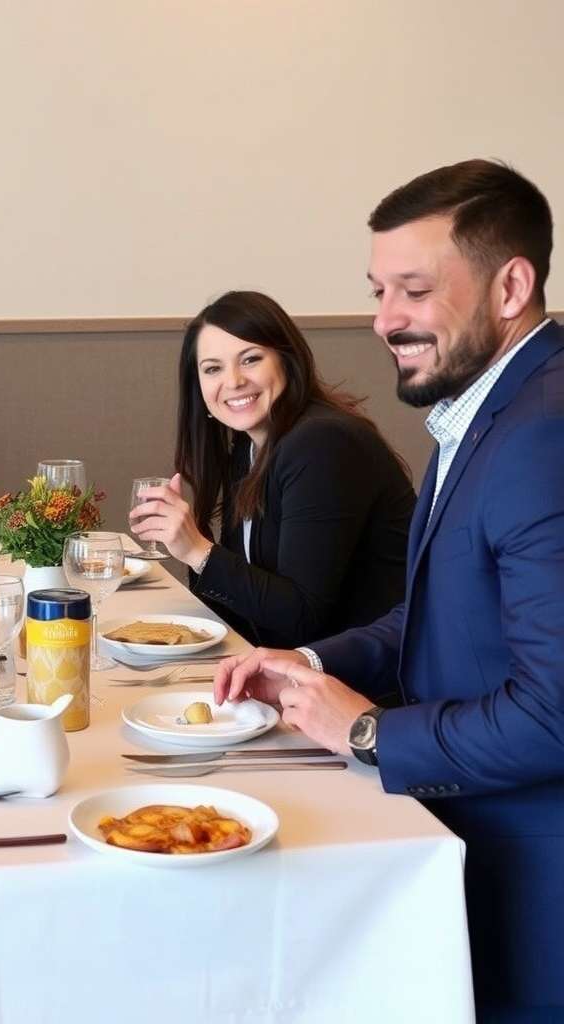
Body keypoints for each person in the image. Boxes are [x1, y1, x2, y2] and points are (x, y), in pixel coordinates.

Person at [217, 160, 562, 1022]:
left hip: (533, 883)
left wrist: (368, 732)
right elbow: (443, 611)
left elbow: (556, 713)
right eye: (378, 292)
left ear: (511, 286)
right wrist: (305, 664)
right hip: (466, 835)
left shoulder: (543, 432)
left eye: (415, 290)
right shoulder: (482, 410)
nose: (384, 320)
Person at [130, 290, 415, 648]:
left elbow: (302, 618)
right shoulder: (248, 446)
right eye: (213, 368)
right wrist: (191, 549)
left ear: (287, 360)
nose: (233, 381)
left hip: (365, 674)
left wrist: (197, 550)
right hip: (297, 665)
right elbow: (244, 611)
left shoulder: (322, 443)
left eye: (250, 359)